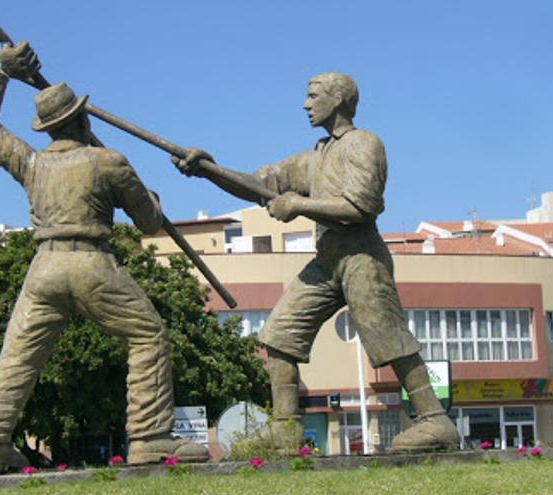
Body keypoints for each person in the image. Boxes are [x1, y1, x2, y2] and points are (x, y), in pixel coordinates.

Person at [173, 73, 459, 452]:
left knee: (387, 336)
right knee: (279, 334)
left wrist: (299, 205)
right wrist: (210, 169)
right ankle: (286, 428)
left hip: (361, 256)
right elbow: (261, 184)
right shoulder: (316, 156)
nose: (305, 105)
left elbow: (362, 206)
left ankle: (436, 422)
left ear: (338, 99)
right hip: (327, 260)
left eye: (312, 96)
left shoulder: (364, 144)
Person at [0, 41, 207, 473]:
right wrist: (153, 199)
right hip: (92, 265)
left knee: (18, 356)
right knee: (148, 336)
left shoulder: (31, 164)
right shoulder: (109, 162)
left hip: (44, 269)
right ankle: (150, 438)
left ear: (47, 128)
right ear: (83, 118)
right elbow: (149, 223)